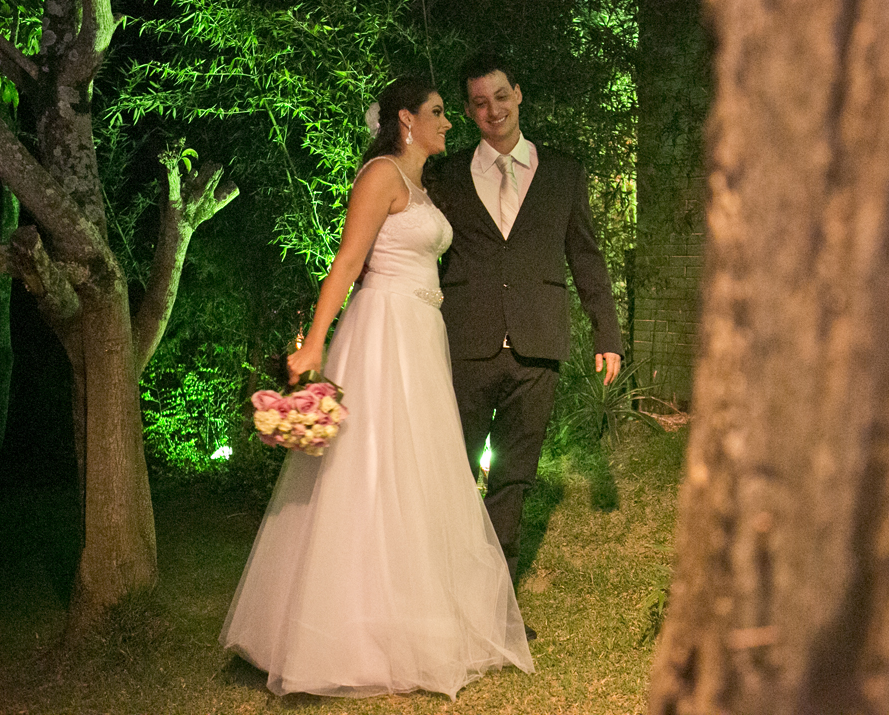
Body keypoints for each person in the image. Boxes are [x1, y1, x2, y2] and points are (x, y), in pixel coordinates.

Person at [220, 76, 533, 700]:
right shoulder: (381, 176)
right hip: (383, 330)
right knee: (368, 470)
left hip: (420, 332)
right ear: (406, 119)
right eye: (438, 112)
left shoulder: (420, 186)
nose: (450, 122)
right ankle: (350, 632)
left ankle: (412, 618)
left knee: (415, 471)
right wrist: (314, 342)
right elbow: (347, 261)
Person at [429, 52, 624, 603]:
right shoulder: (445, 175)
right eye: (480, 103)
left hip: (538, 345)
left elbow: (586, 257)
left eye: (501, 96)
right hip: (465, 344)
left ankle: (494, 606)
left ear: (518, 94)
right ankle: (442, 598)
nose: (493, 110)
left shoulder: (563, 173)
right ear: (468, 110)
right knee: (450, 472)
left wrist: (607, 335)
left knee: (513, 480)